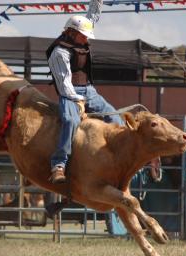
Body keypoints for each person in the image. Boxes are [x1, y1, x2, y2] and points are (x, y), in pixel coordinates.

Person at [46, 0, 122, 184]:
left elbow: (92, 15)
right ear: (71, 32)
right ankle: (59, 165)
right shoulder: (59, 52)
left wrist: (98, 1)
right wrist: (78, 100)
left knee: (115, 118)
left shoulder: (79, 30)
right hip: (69, 93)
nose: (87, 39)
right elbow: (64, 84)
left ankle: (119, 157)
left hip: (89, 90)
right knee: (71, 121)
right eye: (84, 36)